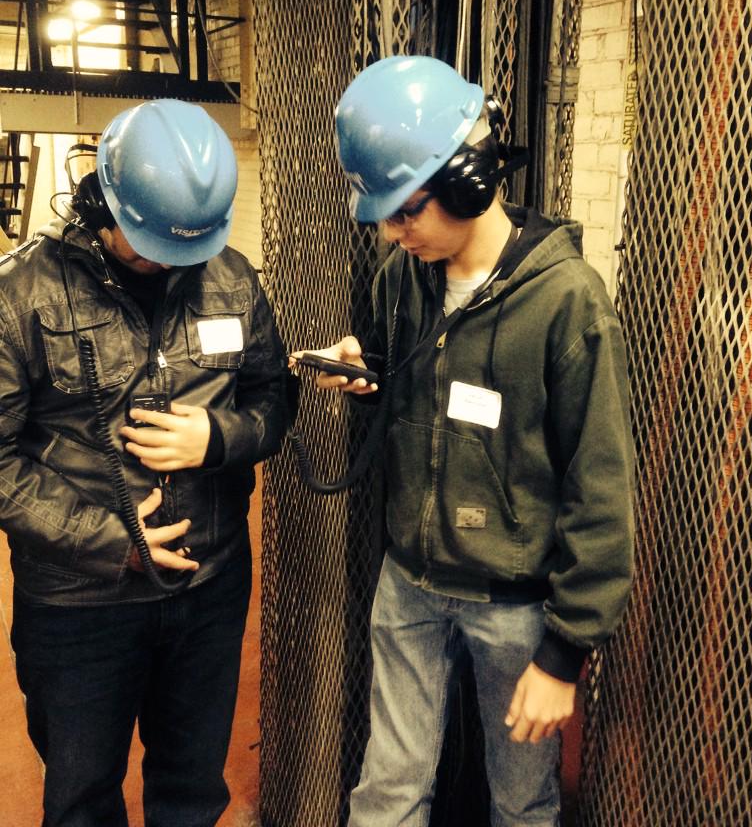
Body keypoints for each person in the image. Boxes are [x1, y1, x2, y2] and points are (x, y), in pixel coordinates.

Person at [295, 56, 635, 826]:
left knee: (521, 801)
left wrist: (564, 653)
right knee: (387, 792)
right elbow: (412, 382)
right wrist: (366, 371)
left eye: (406, 212)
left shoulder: (567, 303)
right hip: (408, 582)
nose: (392, 232)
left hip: (513, 605)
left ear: (470, 182)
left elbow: (601, 488)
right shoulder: (401, 280)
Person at [0, 98, 290, 827]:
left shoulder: (231, 279)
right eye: (150, 244)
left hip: (208, 584)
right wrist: (110, 541)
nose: (169, 263)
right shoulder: (20, 294)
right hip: (79, 603)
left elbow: (272, 399)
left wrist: (220, 437)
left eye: (185, 247)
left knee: (192, 791)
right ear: (101, 204)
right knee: (82, 796)